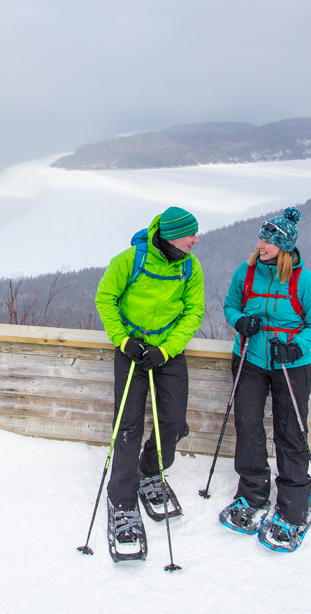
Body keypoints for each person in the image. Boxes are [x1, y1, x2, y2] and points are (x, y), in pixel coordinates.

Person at [94, 206, 205, 559]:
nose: (195, 240)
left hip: (166, 351)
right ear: (171, 235)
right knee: (127, 426)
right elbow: (105, 299)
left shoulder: (190, 267)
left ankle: (150, 469)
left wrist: (167, 349)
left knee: (172, 422)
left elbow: (194, 312)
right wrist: (124, 340)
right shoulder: (130, 259)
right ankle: (122, 500)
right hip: (131, 347)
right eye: (190, 235)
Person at [219, 206, 311, 551]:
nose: (261, 245)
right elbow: (230, 306)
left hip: (289, 363)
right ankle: (252, 492)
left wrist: (297, 347)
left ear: (284, 246)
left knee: (291, 430)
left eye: (267, 241)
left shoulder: (304, 281)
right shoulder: (247, 272)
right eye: (261, 238)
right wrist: (240, 322)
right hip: (250, 357)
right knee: (248, 424)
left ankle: (295, 498)